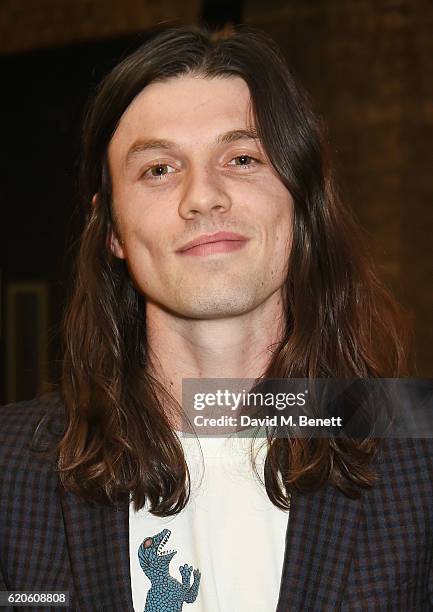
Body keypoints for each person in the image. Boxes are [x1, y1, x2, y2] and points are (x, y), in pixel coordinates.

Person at [0, 25, 432, 612]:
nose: (203, 196)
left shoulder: (419, 449)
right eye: (158, 169)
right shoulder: (10, 468)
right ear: (111, 230)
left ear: (301, 202)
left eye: (242, 158)